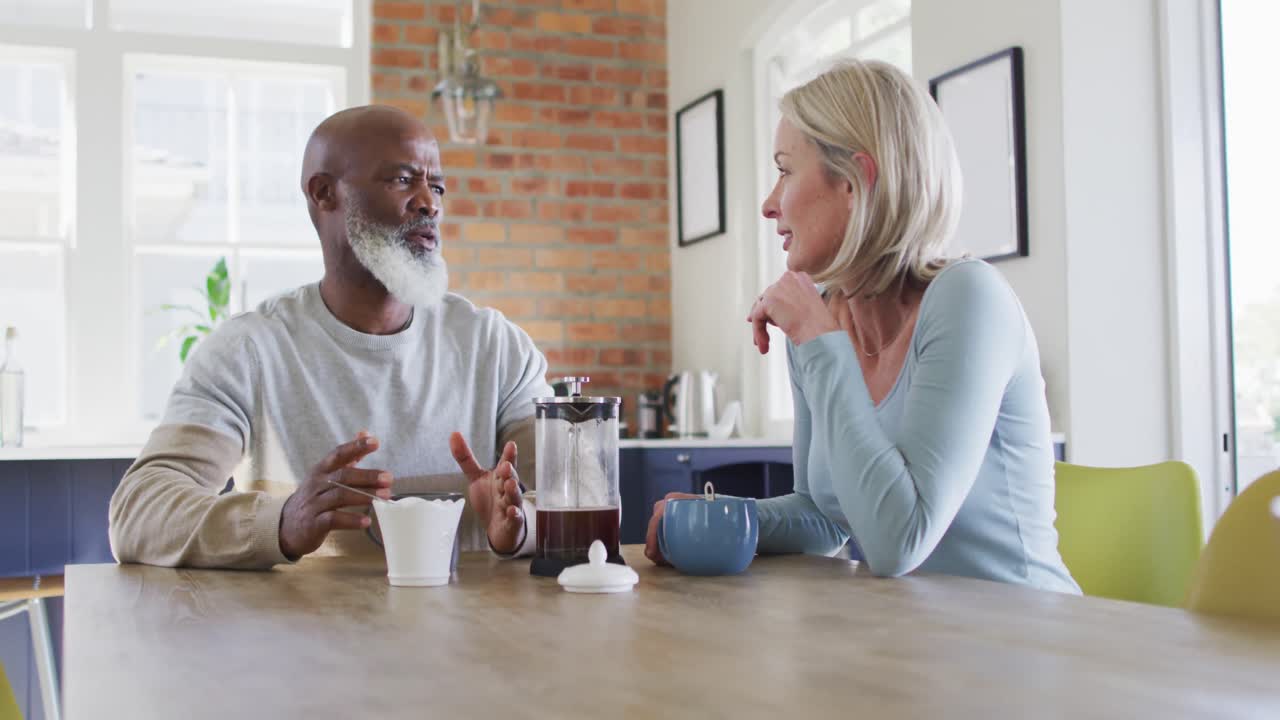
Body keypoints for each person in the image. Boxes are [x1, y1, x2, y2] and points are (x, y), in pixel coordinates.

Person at [645, 60, 1079, 593]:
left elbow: (898, 540)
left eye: (784, 170)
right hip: (909, 645)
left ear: (854, 181)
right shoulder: (826, 320)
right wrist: (723, 516)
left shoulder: (969, 298)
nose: (768, 204)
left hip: (1028, 646)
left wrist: (819, 340)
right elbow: (826, 517)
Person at [109, 105, 550, 568]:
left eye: (435, 185)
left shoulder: (496, 347)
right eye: (402, 180)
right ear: (324, 193)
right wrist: (282, 521)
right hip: (303, 638)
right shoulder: (250, 351)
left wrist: (522, 529)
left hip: (474, 637)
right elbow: (137, 516)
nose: (429, 203)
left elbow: (575, 502)